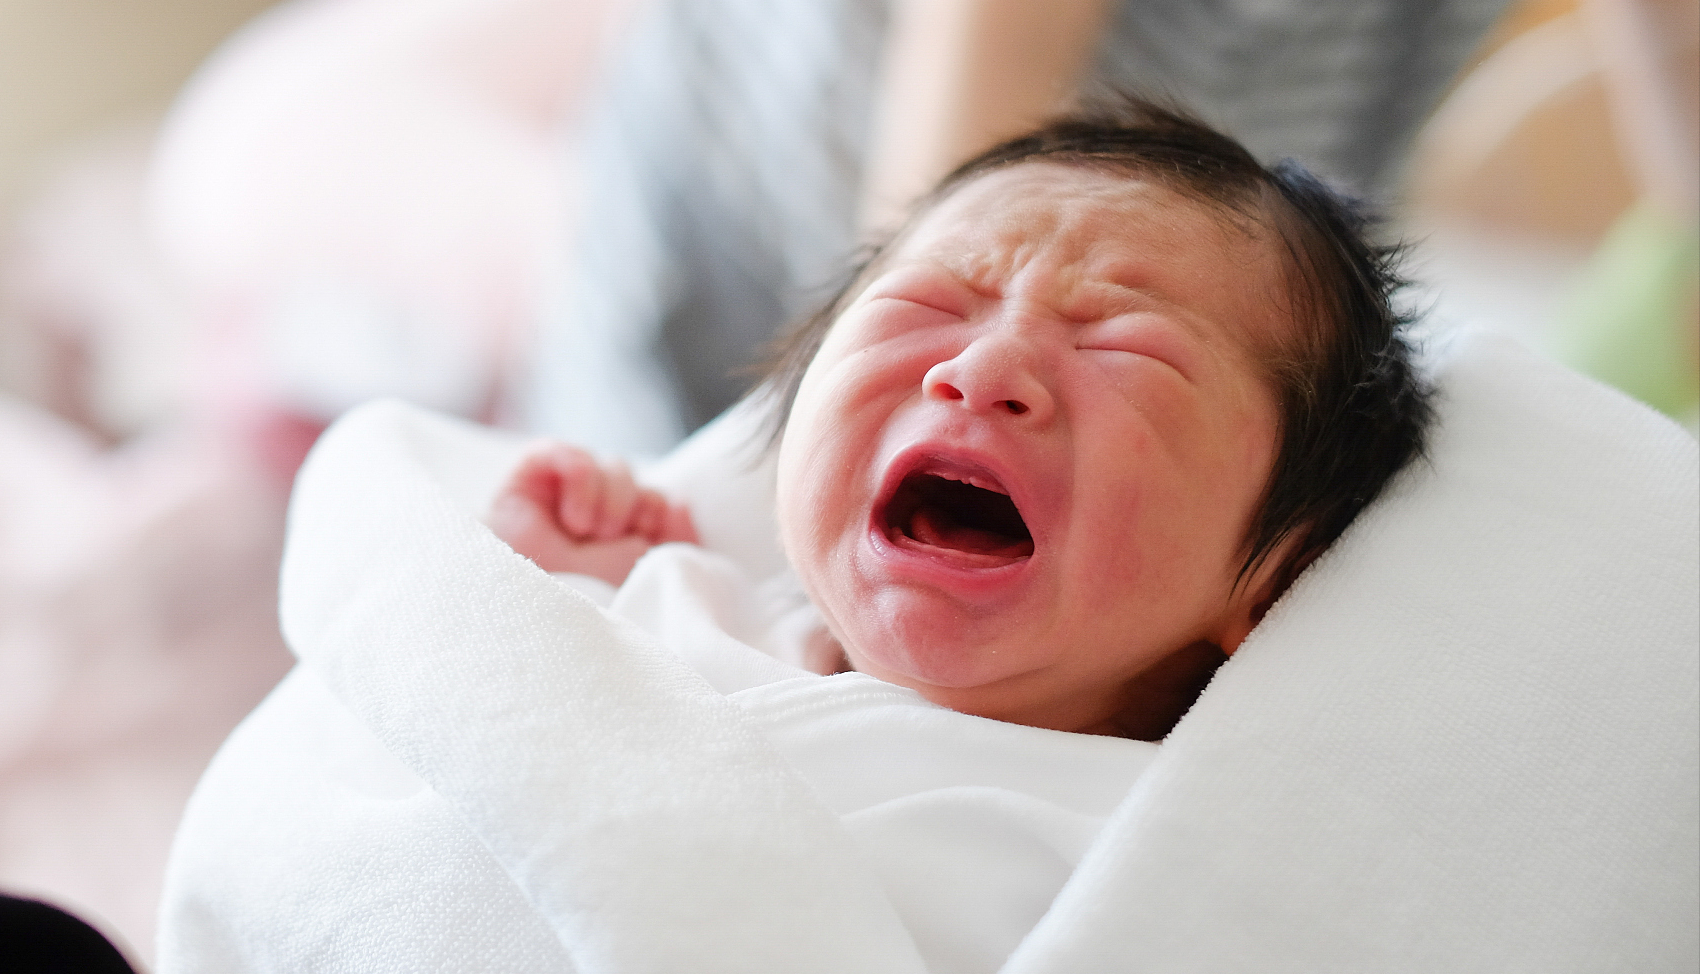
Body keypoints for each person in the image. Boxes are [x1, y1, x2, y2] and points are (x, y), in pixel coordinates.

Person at [520, 0, 1649, 456]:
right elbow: (983, 48)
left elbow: (1675, 3)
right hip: (826, 210)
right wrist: (878, 429)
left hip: (1221, 259)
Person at [491, 100, 1431, 739]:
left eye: (1126, 348)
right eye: (932, 304)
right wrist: (556, 582)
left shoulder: (1160, 846)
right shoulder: (692, 614)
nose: (981, 370)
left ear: (1278, 579)